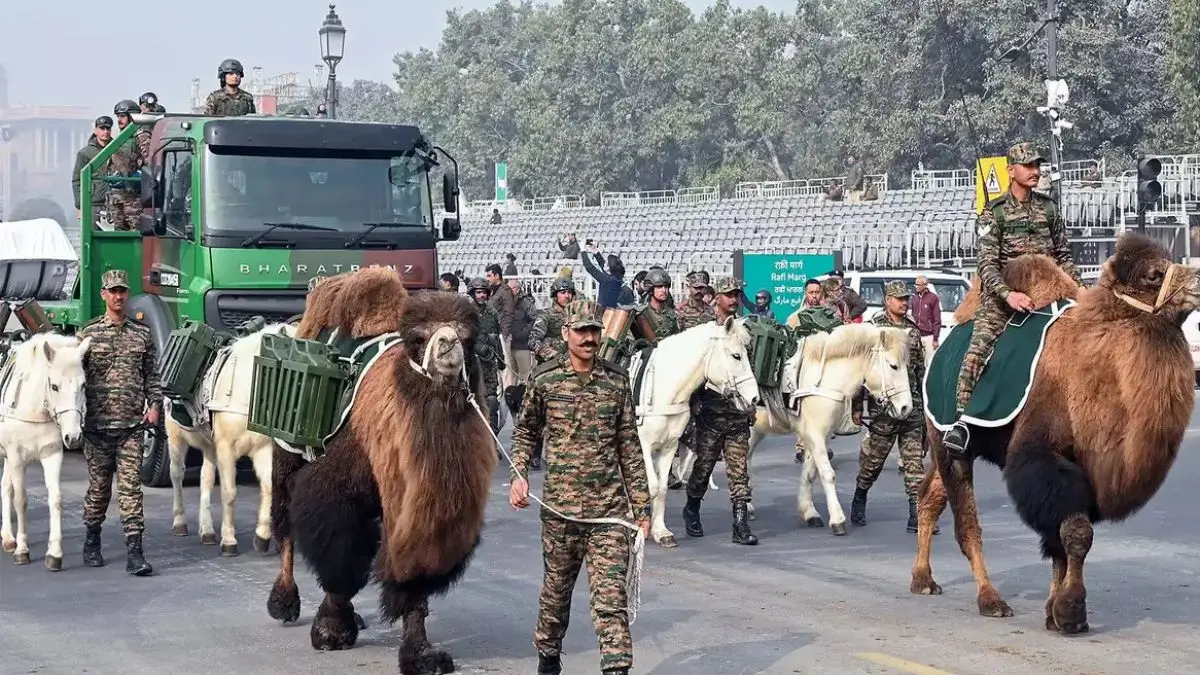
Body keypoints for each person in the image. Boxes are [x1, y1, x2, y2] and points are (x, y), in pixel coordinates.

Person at [508, 298, 651, 675]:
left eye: (594, 331)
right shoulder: (545, 379)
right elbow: (525, 432)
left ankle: (616, 668)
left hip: (609, 515)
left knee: (611, 602)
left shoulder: (616, 380)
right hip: (561, 514)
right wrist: (519, 475)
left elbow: (629, 445)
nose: (589, 338)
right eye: (581, 331)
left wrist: (642, 507)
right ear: (565, 333)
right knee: (556, 598)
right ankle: (548, 657)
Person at [942, 142, 1084, 456]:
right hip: (1004, 296)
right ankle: (961, 423)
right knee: (978, 349)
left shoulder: (1049, 208)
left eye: (1037, 166)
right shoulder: (994, 213)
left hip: (1049, 294)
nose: (1035, 171)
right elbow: (986, 265)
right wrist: (1009, 295)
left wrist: (1080, 289)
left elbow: (1064, 256)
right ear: (1011, 171)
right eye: (1028, 166)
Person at [78, 269, 161, 576]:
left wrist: (155, 405)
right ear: (104, 294)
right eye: (112, 291)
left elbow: (151, 374)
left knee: (131, 490)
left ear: (127, 294)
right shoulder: (87, 335)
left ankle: (135, 553)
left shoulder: (142, 334)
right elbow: (74, 378)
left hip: (131, 428)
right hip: (97, 428)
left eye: (122, 291)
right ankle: (92, 541)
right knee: (99, 490)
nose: (117, 296)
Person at [849, 281, 940, 535]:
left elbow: (920, 372)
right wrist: (857, 406)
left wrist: (925, 411)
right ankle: (860, 496)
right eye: (899, 298)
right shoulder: (874, 330)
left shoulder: (912, 331)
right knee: (872, 463)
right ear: (887, 300)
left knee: (914, 466)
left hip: (912, 407)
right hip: (884, 409)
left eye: (906, 298)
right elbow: (862, 371)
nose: (904, 302)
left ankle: (917, 517)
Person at [681, 277, 758, 546]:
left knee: (739, 472)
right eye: (728, 295)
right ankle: (691, 508)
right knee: (703, 468)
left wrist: (751, 405)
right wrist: (693, 401)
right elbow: (692, 369)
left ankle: (740, 525)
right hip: (711, 413)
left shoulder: (743, 330)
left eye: (736, 295)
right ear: (718, 298)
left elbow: (748, 370)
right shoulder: (706, 331)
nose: (734, 299)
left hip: (737, 415)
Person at [467, 277, 505, 433]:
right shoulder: (467, 313)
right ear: (473, 293)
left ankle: (492, 437)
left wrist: (501, 358)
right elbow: (462, 338)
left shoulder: (492, 312)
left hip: (489, 364)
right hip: (472, 365)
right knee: (473, 401)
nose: (482, 295)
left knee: (492, 401)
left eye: (484, 292)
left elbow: (496, 337)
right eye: (479, 292)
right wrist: (476, 346)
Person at [106, 100, 143, 231]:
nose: (119, 120)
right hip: (117, 194)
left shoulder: (139, 138)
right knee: (119, 230)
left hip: (132, 196)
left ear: (132, 117)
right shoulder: (119, 138)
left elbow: (146, 161)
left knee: (136, 230)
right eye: (118, 116)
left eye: (122, 116)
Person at [71, 116, 114, 225]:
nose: (105, 131)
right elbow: (77, 180)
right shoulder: (84, 153)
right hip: (93, 204)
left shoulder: (117, 149)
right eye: (102, 128)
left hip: (114, 203)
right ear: (96, 131)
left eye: (108, 128)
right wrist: (80, 206)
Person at [911, 275, 942, 366]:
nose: (916, 287)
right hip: (917, 335)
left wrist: (935, 338)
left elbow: (937, 319)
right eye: (915, 284)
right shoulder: (914, 298)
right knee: (917, 362)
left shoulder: (933, 298)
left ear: (925, 285)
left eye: (918, 284)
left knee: (929, 362)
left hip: (929, 335)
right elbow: (913, 315)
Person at [639, 268, 678, 339]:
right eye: (659, 287)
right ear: (650, 289)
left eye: (666, 286)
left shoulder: (672, 314)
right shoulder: (641, 314)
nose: (664, 290)